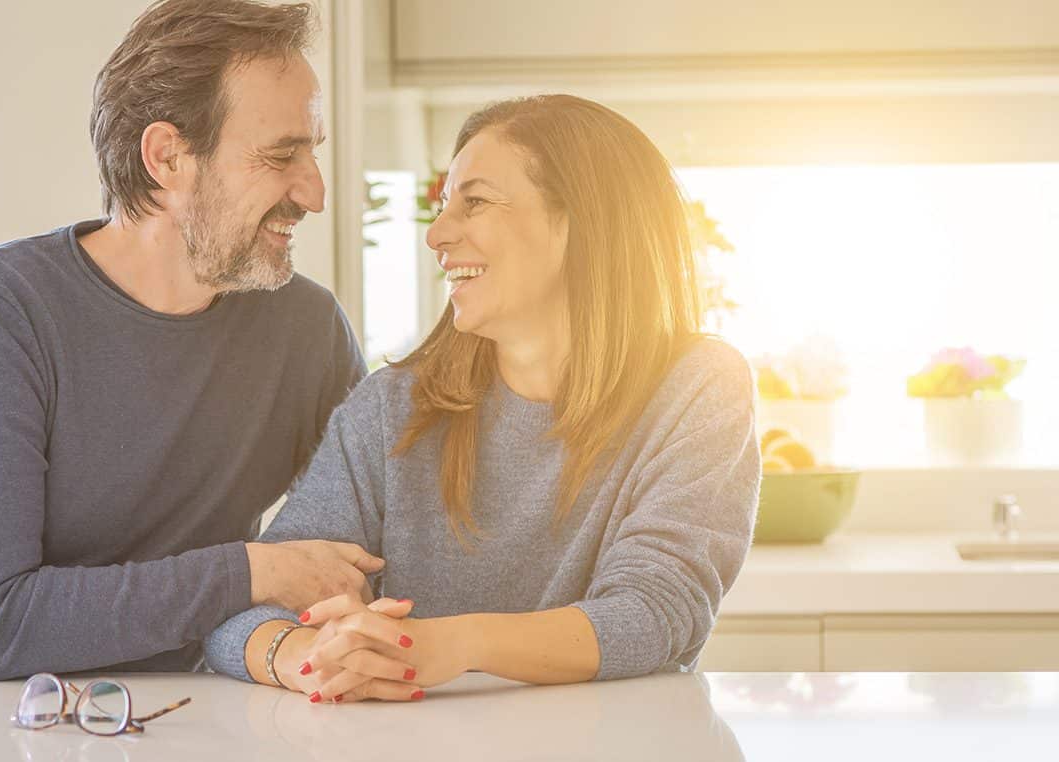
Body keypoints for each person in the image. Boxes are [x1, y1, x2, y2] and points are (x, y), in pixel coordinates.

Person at [0, 0, 383, 681]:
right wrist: (256, 570)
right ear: (167, 157)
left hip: (158, 709)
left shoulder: (306, 330)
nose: (316, 192)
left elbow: (380, 525)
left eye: (313, 153)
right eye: (282, 155)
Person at [202, 94, 760, 703]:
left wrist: (446, 646)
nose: (437, 235)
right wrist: (310, 655)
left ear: (582, 222)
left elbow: (654, 612)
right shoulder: (392, 407)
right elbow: (247, 609)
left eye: (475, 202)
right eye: (443, 207)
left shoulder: (698, 386)